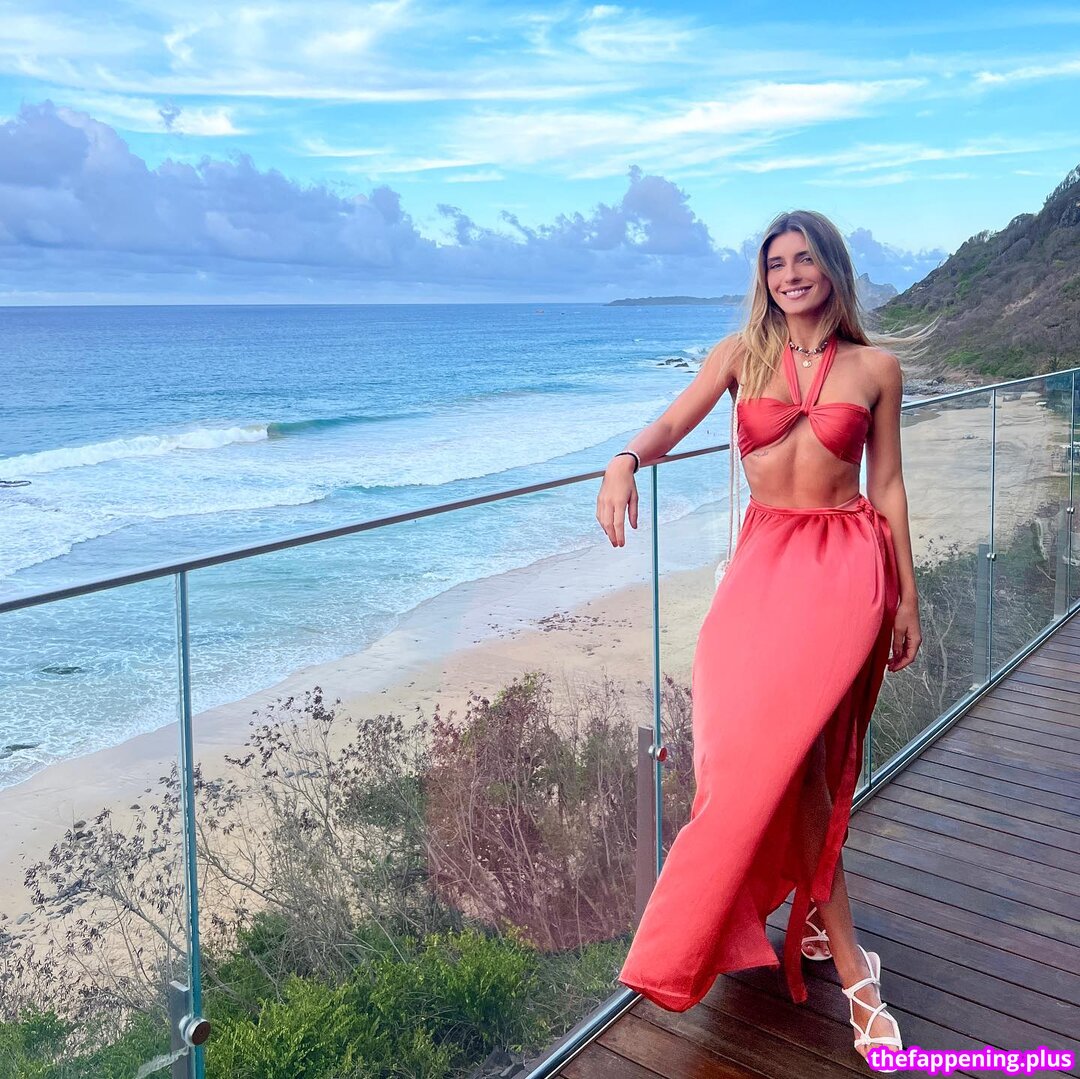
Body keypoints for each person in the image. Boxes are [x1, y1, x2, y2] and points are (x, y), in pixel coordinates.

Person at [595, 209, 932, 1070]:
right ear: (764, 277)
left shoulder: (876, 369)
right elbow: (670, 425)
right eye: (776, 263)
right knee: (733, 757)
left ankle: (854, 970)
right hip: (761, 569)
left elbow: (889, 486)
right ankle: (800, 915)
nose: (790, 274)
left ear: (832, 268)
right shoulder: (739, 356)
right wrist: (624, 459)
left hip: (844, 572)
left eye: (804, 259)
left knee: (809, 765)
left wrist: (907, 596)